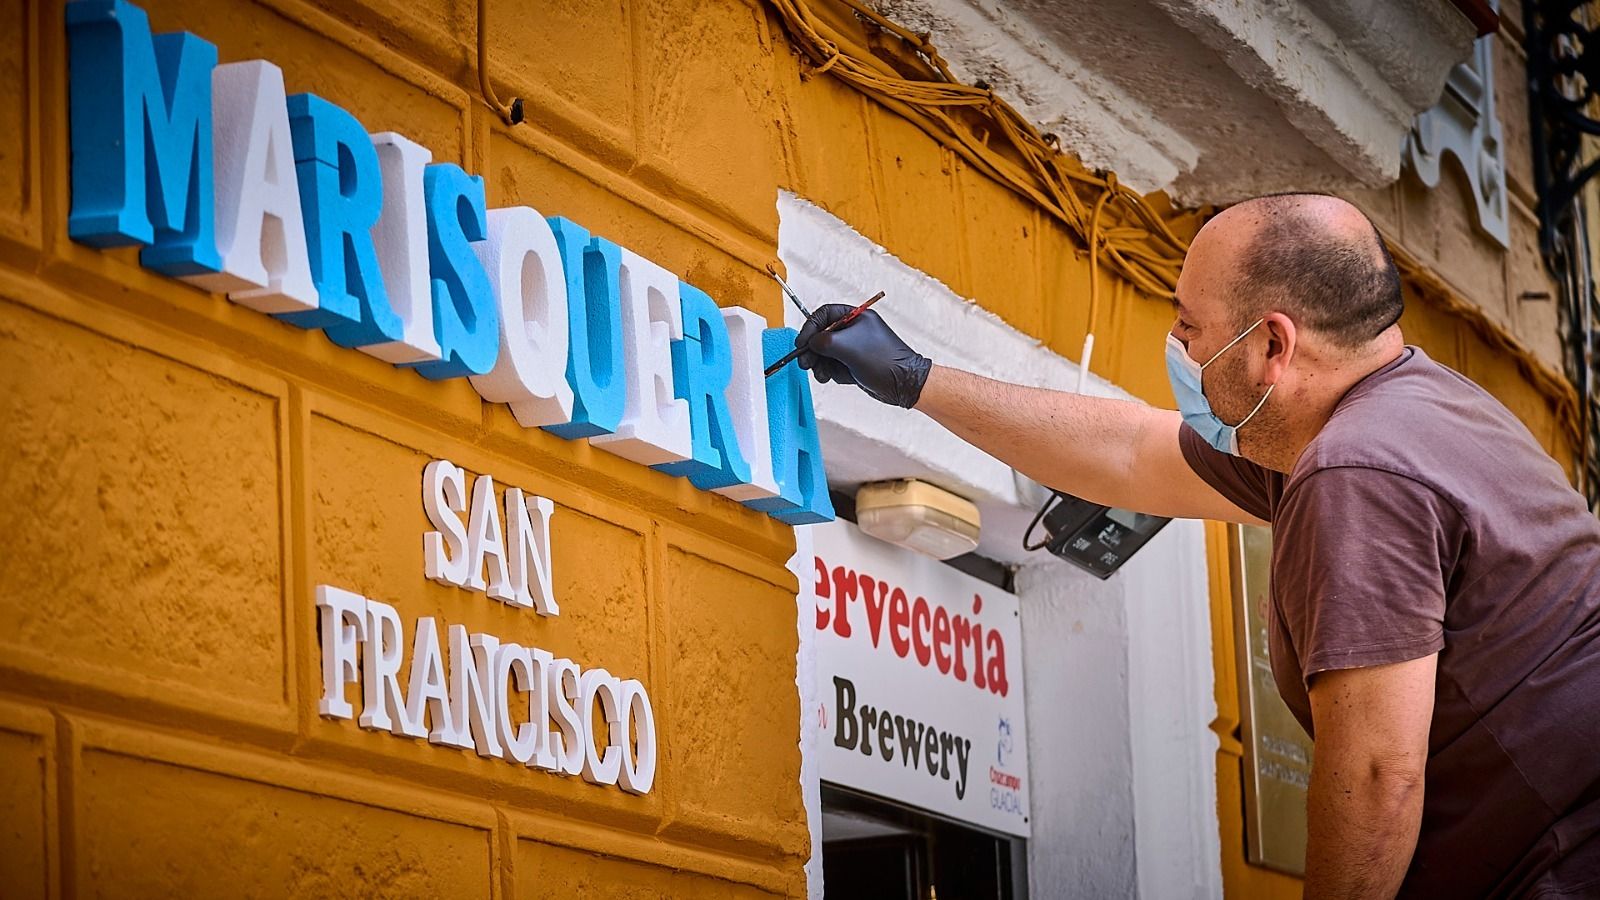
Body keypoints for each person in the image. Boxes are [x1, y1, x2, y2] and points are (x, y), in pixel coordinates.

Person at [793, 193, 1600, 899]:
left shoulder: (1357, 469)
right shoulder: (1407, 410)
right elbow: (1130, 454)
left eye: (1189, 324)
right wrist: (913, 377)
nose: (1176, 345)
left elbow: (1377, 777)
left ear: (1273, 345)